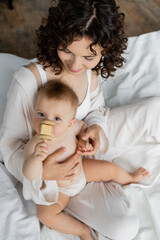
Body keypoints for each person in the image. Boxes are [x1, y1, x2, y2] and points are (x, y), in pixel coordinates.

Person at [0, 0, 159, 239]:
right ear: (56, 38)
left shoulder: (90, 72)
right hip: (56, 170)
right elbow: (10, 147)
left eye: (89, 56)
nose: (76, 65)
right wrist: (45, 172)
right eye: (67, 50)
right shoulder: (29, 81)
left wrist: (95, 128)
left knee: (155, 108)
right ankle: (93, 190)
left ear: (105, 50)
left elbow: (97, 108)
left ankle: (110, 175)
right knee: (124, 228)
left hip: (83, 143)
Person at [22, 80, 149, 240]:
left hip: (81, 171)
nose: (46, 122)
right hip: (61, 188)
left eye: (57, 118)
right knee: (45, 214)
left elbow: (84, 130)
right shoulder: (35, 145)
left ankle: (130, 178)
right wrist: (35, 159)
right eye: (41, 114)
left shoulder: (72, 129)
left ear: (70, 122)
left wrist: (84, 141)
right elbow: (29, 174)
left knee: (110, 169)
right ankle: (82, 230)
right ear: (33, 113)